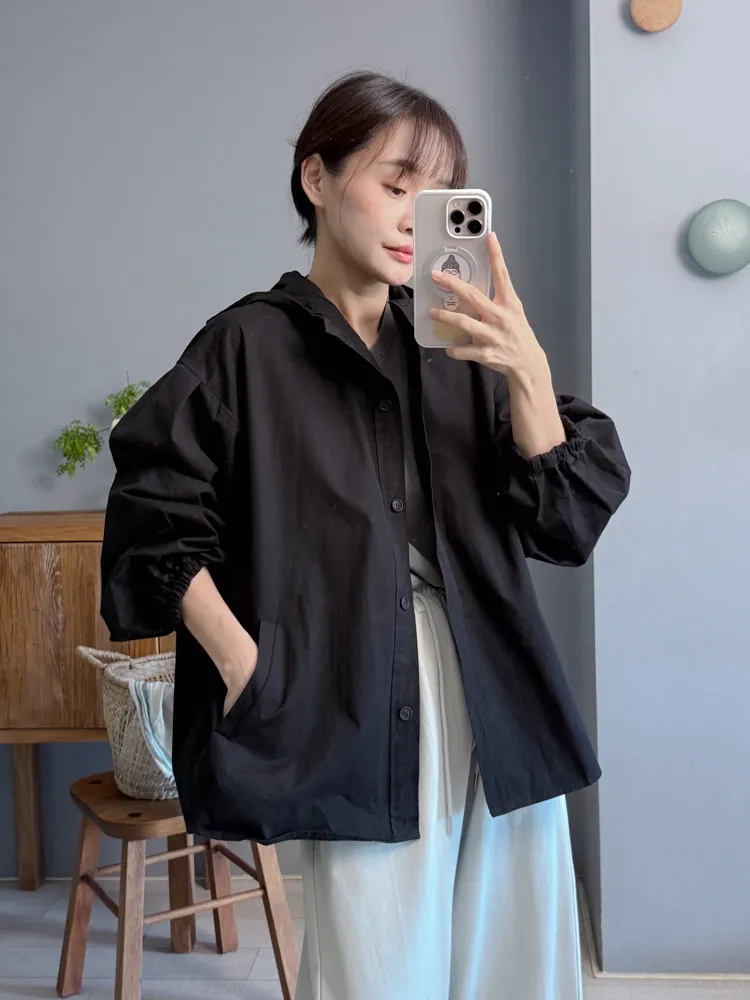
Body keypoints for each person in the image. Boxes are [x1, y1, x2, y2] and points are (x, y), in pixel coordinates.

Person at [100, 71, 631, 1000]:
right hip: (347, 685)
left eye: (437, 195)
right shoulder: (247, 346)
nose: (411, 217)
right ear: (317, 178)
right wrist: (244, 664)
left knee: (521, 962)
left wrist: (527, 371)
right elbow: (153, 514)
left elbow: (565, 523)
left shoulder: (463, 346)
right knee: (380, 967)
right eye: (394, 184)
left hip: (495, 677)